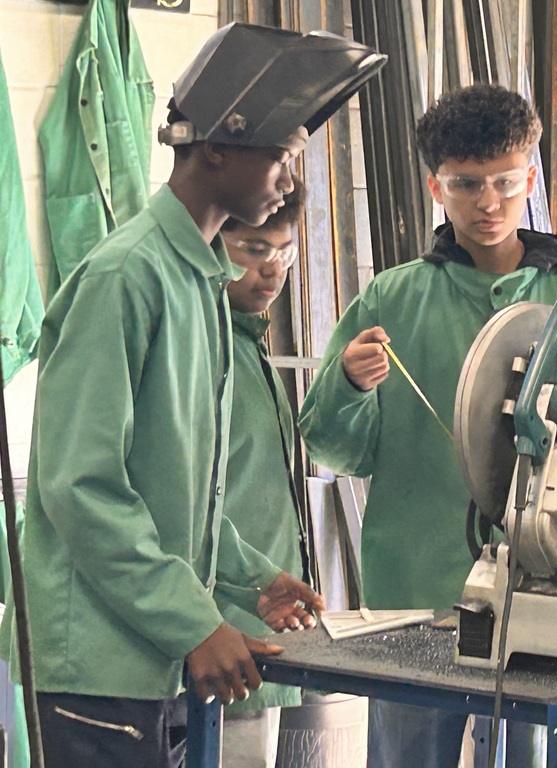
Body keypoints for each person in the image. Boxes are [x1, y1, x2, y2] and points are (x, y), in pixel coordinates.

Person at [0, 23, 383, 767]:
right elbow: (82, 486)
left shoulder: (199, 281)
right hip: (97, 667)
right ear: (216, 146)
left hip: (150, 660)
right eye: (281, 155)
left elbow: (181, 491)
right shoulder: (126, 277)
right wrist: (190, 622)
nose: (286, 177)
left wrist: (250, 576)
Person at [300, 83, 557, 767]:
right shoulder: (394, 297)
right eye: (466, 184)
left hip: (548, 584)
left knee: (536, 754)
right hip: (418, 588)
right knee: (410, 753)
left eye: (505, 182)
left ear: (530, 176)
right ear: (435, 185)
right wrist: (350, 385)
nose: (488, 202)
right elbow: (338, 448)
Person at [218, 179, 308, 768]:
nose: (272, 269)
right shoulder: (198, 346)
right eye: (253, 249)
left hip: (259, 629)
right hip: (211, 641)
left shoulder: (250, 345)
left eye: (284, 249)